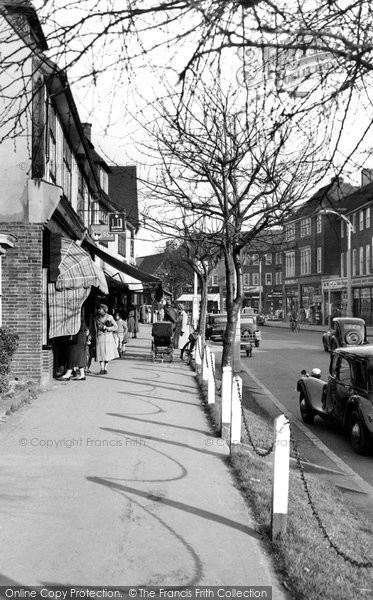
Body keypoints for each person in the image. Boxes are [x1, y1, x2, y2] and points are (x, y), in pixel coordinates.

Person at [94, 304, 118, 374]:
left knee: (108, 353)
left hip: (108, 337)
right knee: (100, 353)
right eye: (98, 309)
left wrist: (108, 328)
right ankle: (102, 368)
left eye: (100, 309)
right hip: (100, 337)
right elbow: (95, 328)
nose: (99, 310)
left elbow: (115, 326)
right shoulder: (96, 318)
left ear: (104, 310)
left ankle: (105, 368)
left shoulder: (109, 317)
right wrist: (95, 336)